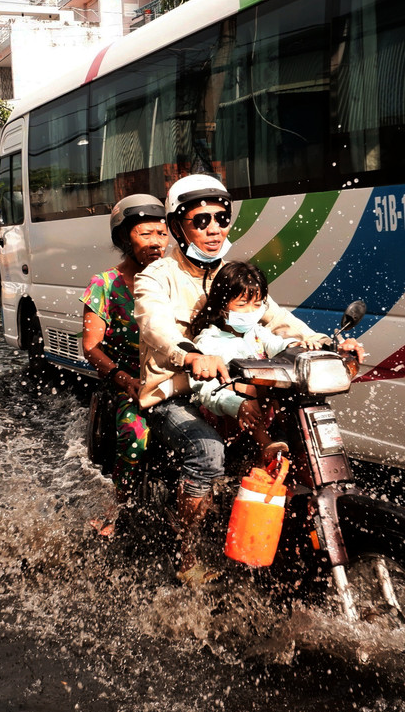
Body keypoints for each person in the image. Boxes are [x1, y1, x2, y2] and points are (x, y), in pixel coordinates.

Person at [135, 174, 358, 584]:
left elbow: (278, 322)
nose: (214, 229)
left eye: (221, 218)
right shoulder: (157, 276)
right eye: (201, 220)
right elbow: (154, 325)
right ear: (177, 226)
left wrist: (324, 343)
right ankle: (185, 549)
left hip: (239, 387)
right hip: (177, 393)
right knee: (208, 454)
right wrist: (190, 354)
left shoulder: (235, 275)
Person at [80, 194, 169, 534]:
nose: (156, 243)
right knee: (134, 436)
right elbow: (91, 347)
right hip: (127, 383)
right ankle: (119, 509)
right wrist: (122, 378)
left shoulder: (172, 280)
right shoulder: (104, 284)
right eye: (145, 234)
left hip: (172, 376)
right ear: (123, 239)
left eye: (161, 234)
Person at [187, 261, 308, 463]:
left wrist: (300, 346)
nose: (251, 311)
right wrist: (236, 404)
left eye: (257, 304)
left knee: (281, 376)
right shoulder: (208, 342)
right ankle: (265, 444)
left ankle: (291, 438)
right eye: (242, 304)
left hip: (259, 411)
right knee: (249, 380)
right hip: (228, 415)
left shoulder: (257, 332)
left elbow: (279, 345)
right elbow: (205, 390)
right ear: (221, 305)